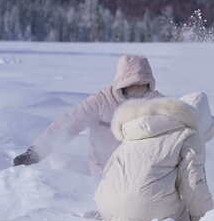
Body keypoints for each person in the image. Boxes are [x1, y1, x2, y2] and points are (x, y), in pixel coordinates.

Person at [13, 55, 162, 175]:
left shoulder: (158, 103)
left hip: (144, 171)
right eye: (131, 87)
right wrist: (36, 152)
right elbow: (69, 123)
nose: (137, 91)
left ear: (149, 84)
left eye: (142, 86)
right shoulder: (101, 101)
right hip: (104, 172)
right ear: (121, 83)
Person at [94, 97, 214, 221]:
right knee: (184, 219)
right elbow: (194, 184)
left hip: (108, 208)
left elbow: (109, 171)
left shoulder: (134, 131)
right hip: (149, 210)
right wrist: (205, 220)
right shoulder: (188, 135)